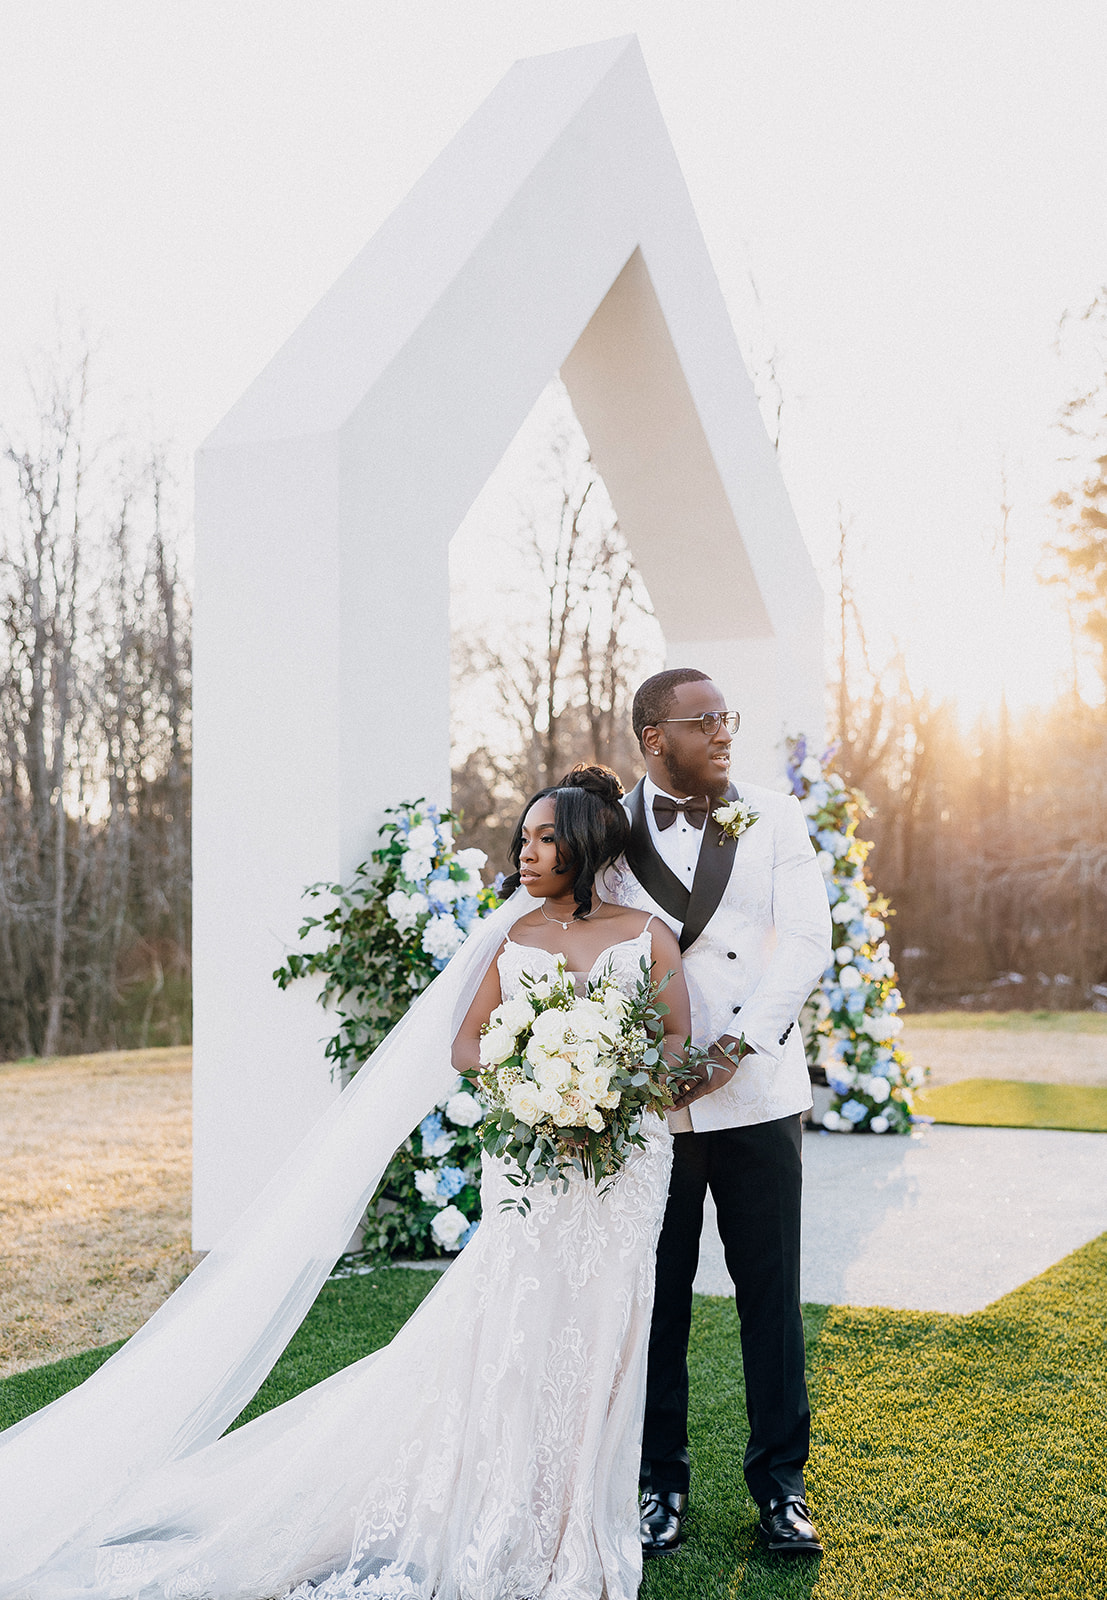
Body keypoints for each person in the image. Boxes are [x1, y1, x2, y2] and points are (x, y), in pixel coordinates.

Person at [0, 765, 694, 1600]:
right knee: (516, 1320)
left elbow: (676, 1045)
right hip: (533, 1159)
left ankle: (574, 1512)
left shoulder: (647, 935)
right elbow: (467, 1045)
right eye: (523, 838)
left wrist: (605, 1091)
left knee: (607, 1327)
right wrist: (539, 1088)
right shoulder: (513, 939)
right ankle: (505, 1505)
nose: (527, 852)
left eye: (546, 838)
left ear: (587, 846)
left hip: (623, 1164)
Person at [601, 669, 832, 1559]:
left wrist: (734, 1046)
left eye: (727, 717)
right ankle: (659, 1483)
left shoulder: (774, 816)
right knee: (653, 1300)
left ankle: (780, 1488)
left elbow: (806, 936)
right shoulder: (608, 830)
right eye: (705, 722)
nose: (724, 733)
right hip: (650, 1107)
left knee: (769, 1298)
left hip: (755, 1091)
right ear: (654, 737)